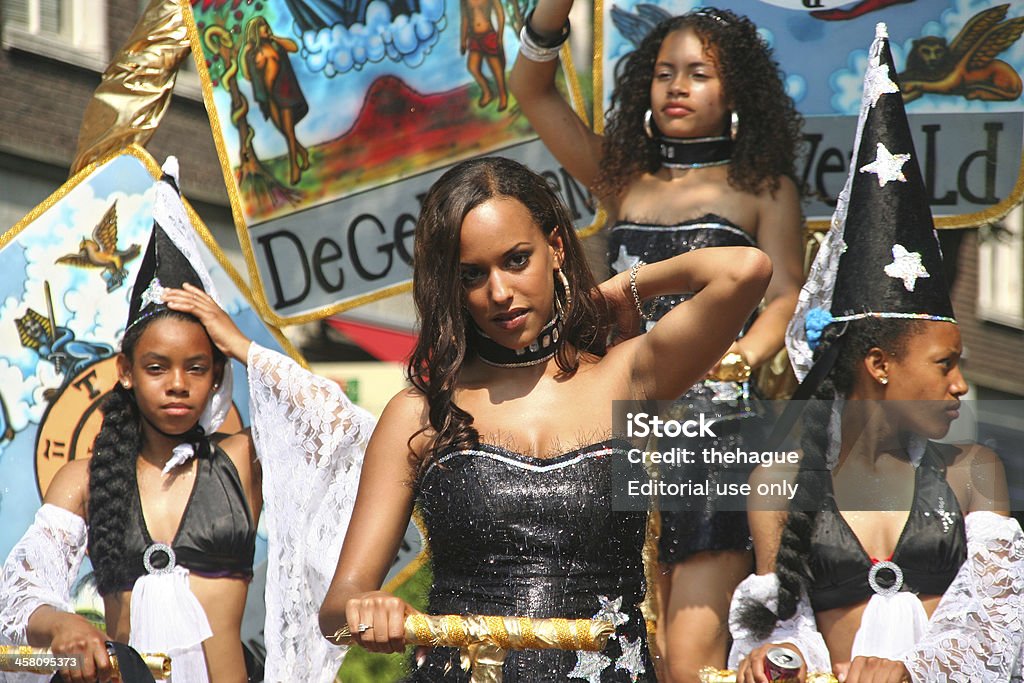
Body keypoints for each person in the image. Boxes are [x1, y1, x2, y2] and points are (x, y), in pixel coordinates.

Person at [316, 156, 772, 680]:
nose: (499, 293)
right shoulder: (418, 414)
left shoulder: (629, 376)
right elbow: (336, 610)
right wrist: (369, 610)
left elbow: (746, 269)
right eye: (471, 275)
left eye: (516, 260)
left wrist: (617, 290)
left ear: (555, 247)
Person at [509, 6, 804, 680]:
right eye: (665, 72)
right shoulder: (621, 179)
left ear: (735, 92)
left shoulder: (765, 189)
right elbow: (530, 88)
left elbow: (786, 292)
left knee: (694, 655)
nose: (677, 86)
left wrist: (739, 358)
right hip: (621, 432)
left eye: (698, 74)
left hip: (718, 428)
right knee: (633, 645)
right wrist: (553, 11)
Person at [728, 24, 1024, 683]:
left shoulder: (974, 471)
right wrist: (773, 660)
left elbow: (1002, 634)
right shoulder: (778, 482)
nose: (959, 386)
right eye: (945, 363)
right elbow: (787, 631)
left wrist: (912, 671)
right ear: (880, 364)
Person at [0, 161, 373, 683]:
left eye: (197, 367)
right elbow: (21, 592)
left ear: (217, 372)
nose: (178, 383)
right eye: (157, 367)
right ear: (126, 372)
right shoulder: (83, 478)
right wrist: (61, 624)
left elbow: (340, 424)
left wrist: (241, 344)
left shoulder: (243, 460)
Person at [240, 16, 310, 185]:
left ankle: (294, 166)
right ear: (255, 32)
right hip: (269, 97)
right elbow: (247, 74)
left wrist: (274, 38)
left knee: (288, 130)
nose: (266, 28)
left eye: (266, 26)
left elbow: (293, 47)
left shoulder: (276, 46)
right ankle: (303, 153)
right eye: (262, 27)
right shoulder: (252, 53)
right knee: (284, 130)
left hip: (285, 92)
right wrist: (245, 50)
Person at [460, 0, 508, 111]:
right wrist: (463, 39)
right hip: (474, 36)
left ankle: (503, 95)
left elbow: (500, 13)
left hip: (488, 34)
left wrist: (500, 36)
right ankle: (487, 92)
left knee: (496, 68)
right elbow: (465, 19)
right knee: (472, 67)